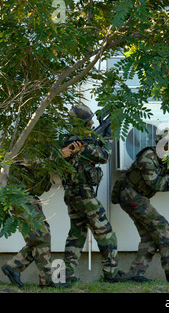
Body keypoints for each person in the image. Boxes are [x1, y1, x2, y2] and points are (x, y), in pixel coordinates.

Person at [61, 104, 129, 283]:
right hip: (84, 195)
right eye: (89, 119)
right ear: (84, 122)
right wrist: (108, 136)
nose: (92, 122)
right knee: (106, 233)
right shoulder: (81, 144)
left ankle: (66, 274)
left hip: (71, 194)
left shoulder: (69, 139)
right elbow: (104, 156)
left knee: (77, 233)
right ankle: (111, 274)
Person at [111, 130, 169, 282]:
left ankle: (135, 274)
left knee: (149, 237)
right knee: (161, 226)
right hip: (130, 195)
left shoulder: (165, 159)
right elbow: (156, 184)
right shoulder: (148, 158)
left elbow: (167, 176)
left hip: (136, 196)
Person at [1, 159, 69, 288]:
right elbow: (30, 163)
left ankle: (14, 267)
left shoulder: (42, 148)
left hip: (29, 198)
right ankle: (47, 278)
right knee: (41, 237)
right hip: (19, 196)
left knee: (41, 236)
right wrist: (59, 156)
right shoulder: (28, 145)